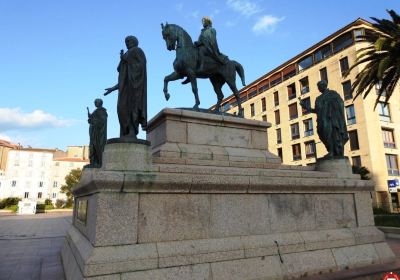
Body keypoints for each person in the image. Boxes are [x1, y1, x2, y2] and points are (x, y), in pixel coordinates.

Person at [104, 35, 147, 139]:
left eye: (129, 41)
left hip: (135, 88)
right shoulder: (127, 55)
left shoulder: (137, 51)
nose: (127, 43)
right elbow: (123, 79)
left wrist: (126, 59)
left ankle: (132, 131)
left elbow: (140, 66)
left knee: (133, 108)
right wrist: (113, 88)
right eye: (126, 42)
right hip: (126, 89)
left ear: (134, 42)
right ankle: (125, 131)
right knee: (121, 108)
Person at [300, 80, 348, 158]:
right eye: (318, 87)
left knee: (333, 135)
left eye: (319, 87)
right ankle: (331, 151)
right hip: (322, 120)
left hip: (332, 119)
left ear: (323, 86)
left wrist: (329, 105)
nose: (318, 89)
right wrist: (305, 106)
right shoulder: (318, 98)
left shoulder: (333, 94)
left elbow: (340, 103)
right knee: (323, 135)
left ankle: (333, 152)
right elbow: (316, 110)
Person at [87, 99, 107, 168]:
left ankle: (97, 162)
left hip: (98, 134)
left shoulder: (101, 111)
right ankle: (93, 162)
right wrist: (91, 120)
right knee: (92, 146)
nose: (94, 103)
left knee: (96, 146)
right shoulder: (97, 111)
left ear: (99, 103)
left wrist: (92, 121)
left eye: (95, 102)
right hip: (94, 133)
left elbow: (102, 122)